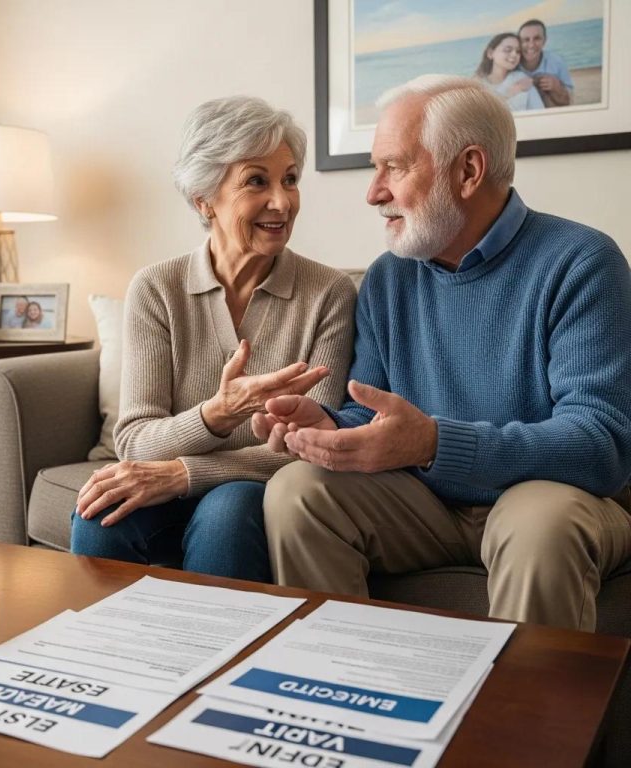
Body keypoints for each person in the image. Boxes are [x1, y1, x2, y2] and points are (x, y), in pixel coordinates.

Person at [255, 75, 631, 631]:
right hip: (426, 504)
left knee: (539, 523)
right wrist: (331, 426)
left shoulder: (581, 262)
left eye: (394, 167)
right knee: (297, 492)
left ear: (468, 171)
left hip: (552, 499)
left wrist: (435, 442)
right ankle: (341, 696)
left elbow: (601, 444)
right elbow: (375, 414)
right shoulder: (389, 279)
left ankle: (522, 719)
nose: (373, 191)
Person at [71, 95, 357, 582]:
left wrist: (185, 474)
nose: (282, 201)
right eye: (256, 181)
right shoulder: (156, 288)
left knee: (226, 512)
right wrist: (217, 414)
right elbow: (134, 440)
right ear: (205, 200)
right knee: (100, 512)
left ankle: (221, 658)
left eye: (290, 179)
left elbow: (313, 447)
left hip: (252, 493)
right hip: (172, 491)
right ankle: (112, 655)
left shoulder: (328, 293)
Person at [475, 33, 544, 111]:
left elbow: (540, 111)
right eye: (508, 50)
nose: (514, 54)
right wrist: (509, 95)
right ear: (490, 53)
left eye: (518, 51)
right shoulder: (478, 85)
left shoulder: (521, 79)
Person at [518, 19, 573, 108]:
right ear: (519, 42)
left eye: (537, 38)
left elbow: (569, 100)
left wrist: (556, 86)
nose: (531, 45)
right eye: (526, 40)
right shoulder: (511, 64)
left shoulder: (557, 62)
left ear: (544, 40)